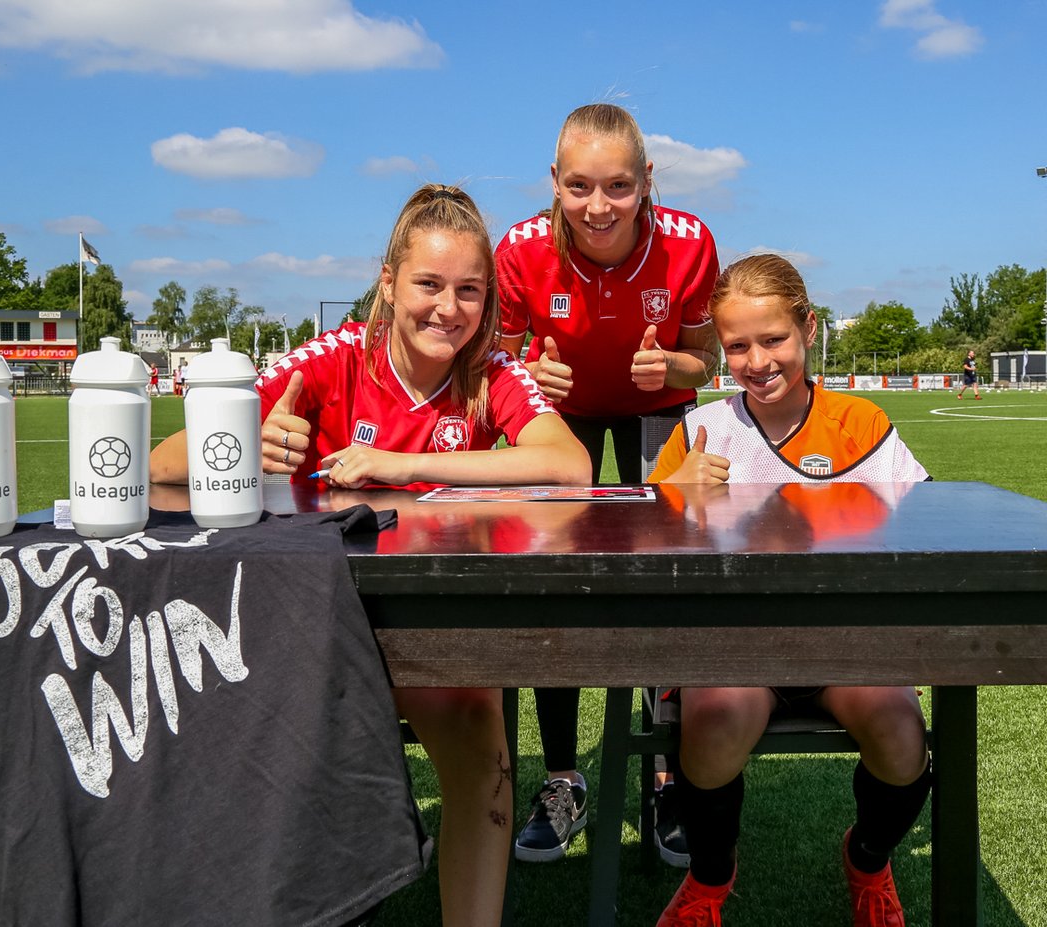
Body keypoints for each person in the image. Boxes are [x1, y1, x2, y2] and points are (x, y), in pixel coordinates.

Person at [151, 183, 591, 927]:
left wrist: (392, 461)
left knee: (483, 745)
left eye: (469, 291)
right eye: (428, 284)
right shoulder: (333, 358)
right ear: (387, 282)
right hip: (315, 626)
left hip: (440, 635)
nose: (447, 309)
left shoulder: (490, 370)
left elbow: (569, 464)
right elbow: (162, 463)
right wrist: (240, 444)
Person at [647, 254, 932, 927]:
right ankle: (710, 879)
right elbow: (646, 555)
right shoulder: (699, 432)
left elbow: (925, 529)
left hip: (844, 641)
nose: (757, 359)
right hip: (735, 645)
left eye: (773, 338)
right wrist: (672, 498)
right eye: (738, 345)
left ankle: (867, 857)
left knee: (899, 731)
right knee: (714, 722)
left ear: (807, 327)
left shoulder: (861, 427)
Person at [495, 101, 720, 866]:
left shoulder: (690, 242)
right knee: (554, 576)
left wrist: (675, 369)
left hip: (658, 412)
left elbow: (704, 363)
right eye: (580, 186)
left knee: (669, 576)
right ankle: (562, 778)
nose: (599, 207)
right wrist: (527, 371)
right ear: (553, 180)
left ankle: (663, 771)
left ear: (648, 180)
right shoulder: (520, 249)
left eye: (619, 187)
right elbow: (492, 366)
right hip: (563, 418)